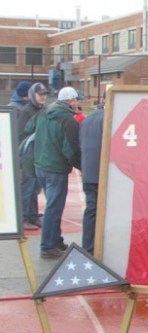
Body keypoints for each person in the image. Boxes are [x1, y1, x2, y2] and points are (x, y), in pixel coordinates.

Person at [29, 86, 81, 259]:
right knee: (54, 207)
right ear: (71, 101)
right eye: (76, 100)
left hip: (40, 165)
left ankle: (56, 241)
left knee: (52, 205)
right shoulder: (69, 121)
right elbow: (71, 150)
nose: (77, 103)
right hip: (56, 169)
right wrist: (83, 167)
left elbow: (30, 130)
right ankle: (48, 246)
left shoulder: (44, 113)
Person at [16, 82, 50, 231]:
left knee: (35, 188)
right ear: (32, 95)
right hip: (28, 156)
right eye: (40, 94)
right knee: (27, 188)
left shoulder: (42, 110)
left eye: (44, 94)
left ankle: (33, 215)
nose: (43, 97)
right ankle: (24, 218)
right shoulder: (27, 111)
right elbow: (21, 135)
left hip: (38, 156)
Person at [79, 95, 104, 254]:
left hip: (88, 172)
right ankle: (99, 248)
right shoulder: (109, 119)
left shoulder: (87, 120)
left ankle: (87, 248)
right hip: (101, 174)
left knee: (91, 210)